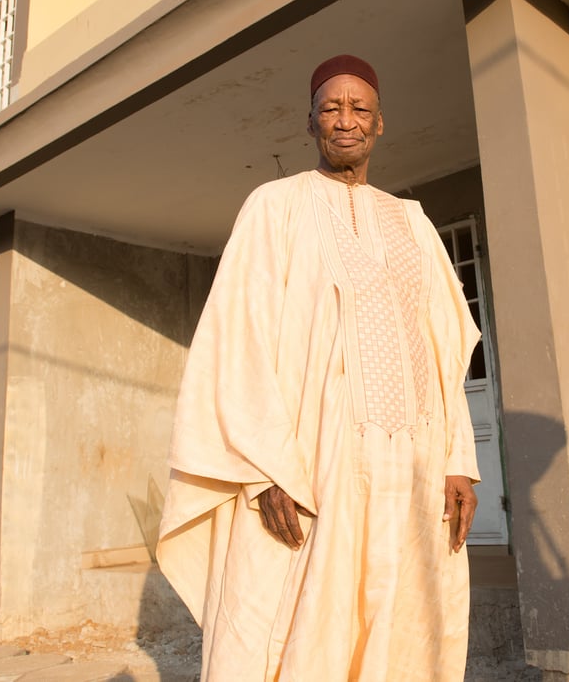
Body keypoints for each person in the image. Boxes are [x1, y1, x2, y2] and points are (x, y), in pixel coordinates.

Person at [157, 54, 481, 681]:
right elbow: (238, 339)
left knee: (402, 620)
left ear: (380, 123)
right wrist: (262, 471)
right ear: (309, 123)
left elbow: (444, 348)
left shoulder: (413, 222)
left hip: (412, 470)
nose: (345, 120)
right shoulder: (273, 207)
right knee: (295, 625)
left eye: (359, 108)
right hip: (309, 467)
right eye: (331, 108)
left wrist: (458, 462)